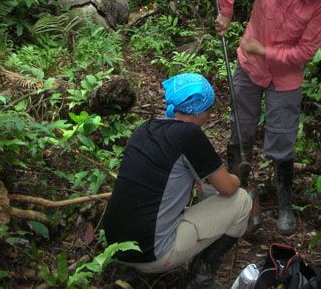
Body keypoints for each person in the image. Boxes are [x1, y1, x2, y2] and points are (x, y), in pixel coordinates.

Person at [213, 0, 321, 235]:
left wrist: (265, 51)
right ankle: (238, 197)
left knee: (282, 138)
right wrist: (227, 11)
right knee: (241, 130)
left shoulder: (320, 3)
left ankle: (284, 205)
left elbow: (306, 51)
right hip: (250, 68)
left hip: (286, 78)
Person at [104, 73, 253, 288]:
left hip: (116, 247)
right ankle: (201, 277)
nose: (209, 117)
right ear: (200, 111)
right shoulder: (190, 134)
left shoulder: (145, 129)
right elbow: (228, 188)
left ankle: (129, 270)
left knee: (205, 192)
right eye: (209, 110)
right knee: (241, 200)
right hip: (153, 255)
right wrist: (237, 178)